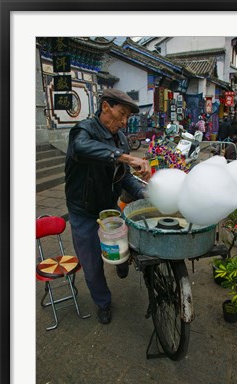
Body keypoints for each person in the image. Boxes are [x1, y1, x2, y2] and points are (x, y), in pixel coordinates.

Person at [65, 88, 151, 325]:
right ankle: (103, 302)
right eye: (121, 114)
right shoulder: (83, 131)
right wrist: (126, 157)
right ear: (105, 107)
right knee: (92, 265)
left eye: (127, 118)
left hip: (108, 207)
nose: (124, 122)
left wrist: (143, 193)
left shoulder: (121, 138)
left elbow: (123, 176)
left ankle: (121, 262)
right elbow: (83, 149)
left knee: (120, 245)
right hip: (83, 211)